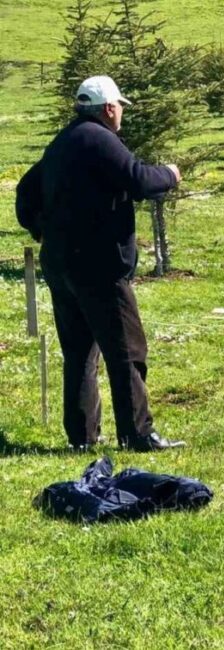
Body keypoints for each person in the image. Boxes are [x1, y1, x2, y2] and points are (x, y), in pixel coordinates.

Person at [15, 76, 186, 451]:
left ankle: (82, 436)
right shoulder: (99, 139)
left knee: (79, 354)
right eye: (120, 106)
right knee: (126, 351)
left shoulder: (63, 142)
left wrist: (40, 229)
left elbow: (24, 191)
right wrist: (170, 175)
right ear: (109, 108)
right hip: (100, 267)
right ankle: (137, 434)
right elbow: (139, 179)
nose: (121, 112)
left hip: (62, 266)